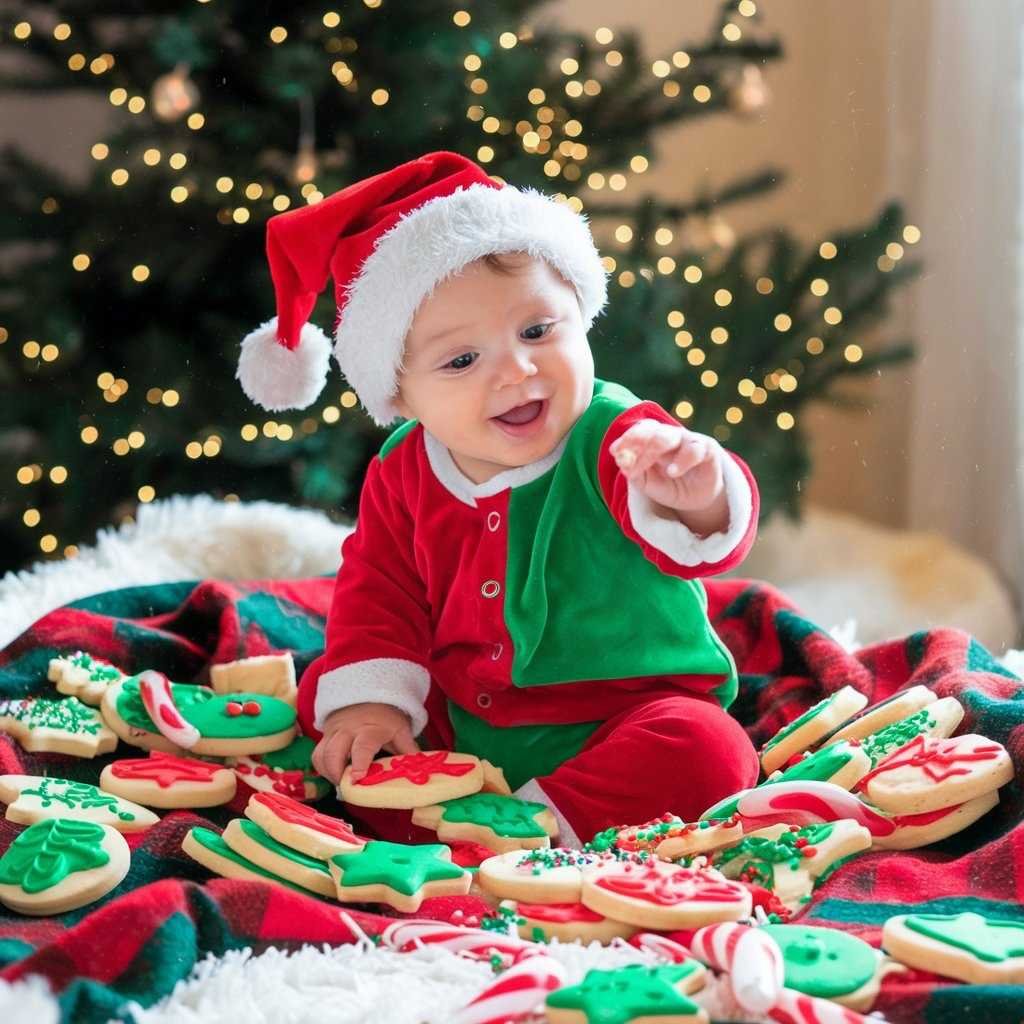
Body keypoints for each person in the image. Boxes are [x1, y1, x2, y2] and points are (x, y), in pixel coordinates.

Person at [236, 151, 761, 846]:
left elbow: (703, 531)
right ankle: (463, 813)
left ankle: (534, 825)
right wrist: (369, 705)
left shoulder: (616, 434)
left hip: (624, 716)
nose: (516, 370)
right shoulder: (402, 470)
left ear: (581, 313)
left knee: (712, 750)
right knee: (338, 707)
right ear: (401, 396)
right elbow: (380, 594)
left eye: (537, 331)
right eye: (461, 360)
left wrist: (696, 490)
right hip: (468, 719)